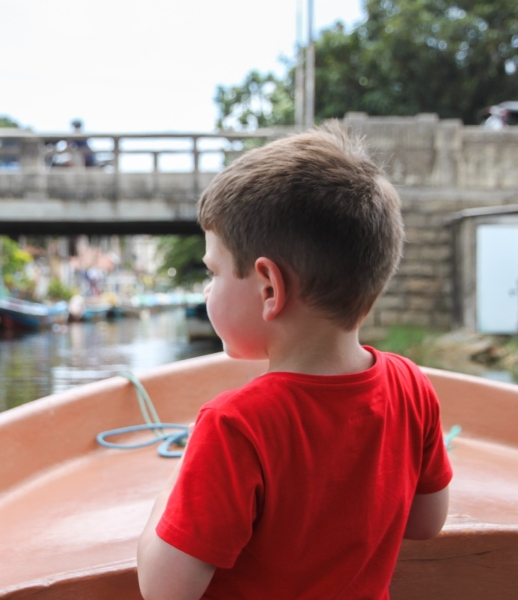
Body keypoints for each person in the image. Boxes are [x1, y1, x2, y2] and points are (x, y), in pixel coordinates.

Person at [137, 123, 452, 600]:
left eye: (214, 271)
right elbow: (427, 522)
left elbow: (166, 591)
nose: (206, 289)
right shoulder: (411, 386)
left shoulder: (234, 426)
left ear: (269, 289)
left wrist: (171, 494)